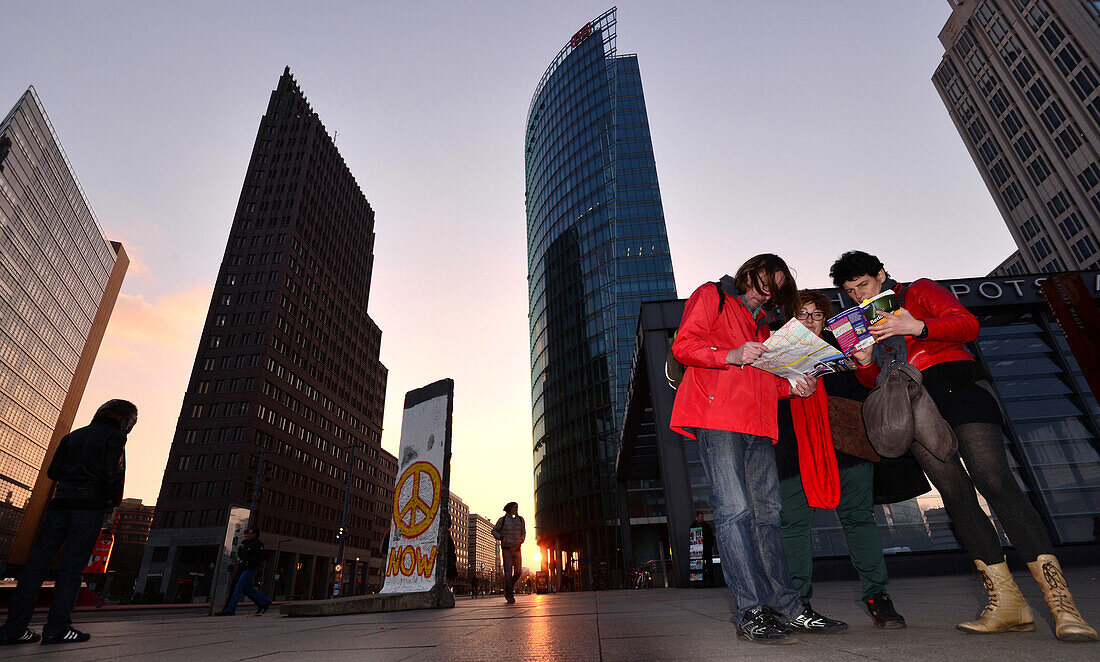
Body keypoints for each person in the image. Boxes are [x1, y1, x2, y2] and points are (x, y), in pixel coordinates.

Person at [831, 250, 1095, 642]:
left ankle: (1062, 606)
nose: (857, 296)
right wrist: (866, 361)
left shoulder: (917, 290)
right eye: (851, 291)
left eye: (864, 286)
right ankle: (1007, 604)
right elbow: (874, 383)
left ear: (882, 274)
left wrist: (916, 325)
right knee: (955, 495)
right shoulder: (862, 320)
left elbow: (967, 325)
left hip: (956, 383)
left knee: (994, 480)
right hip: (913, 402)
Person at [669, 254, 818, 645]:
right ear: (753, 271)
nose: (773, 286)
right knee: (734, 511)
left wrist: (793, 387)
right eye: (770, 276)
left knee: (767, 516)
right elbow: (683, 346)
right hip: (718, 419)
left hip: (758, 425)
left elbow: (766, 381)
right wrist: (730, 355)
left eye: (781, 282)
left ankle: (788, 608)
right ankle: (750, 610)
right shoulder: (712, 295)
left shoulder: (768, 325)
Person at [775, 289, 905, 632]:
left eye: (816, 315)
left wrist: (865, 361)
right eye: (801, 314)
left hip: (847, 444)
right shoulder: (771, 347)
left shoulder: (845, 341)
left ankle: (878, 596)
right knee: (794, 525)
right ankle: (798, 603)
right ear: (789, 318)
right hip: (793, 450)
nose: (810, 321)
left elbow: (869, 383)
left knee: (859, 519)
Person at [0, 400, 137, 646]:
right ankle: (57, 628)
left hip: (59, 504)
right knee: (71, 568)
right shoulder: (115, 439)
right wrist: (110, 503)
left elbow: (53, 472)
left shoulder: (72, 437)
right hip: (88, 507)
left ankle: (13, 628)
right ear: (125, 421)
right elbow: (113, 476)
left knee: (35, 566)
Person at [214, 528, 272, 616]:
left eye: (249, 533)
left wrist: (250, 562)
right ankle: (265, 601)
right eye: (245, 534)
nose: (246, 535)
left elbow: (259, 557)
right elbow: (241, 556)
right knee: (247, 589)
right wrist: (241, 549)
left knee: (238, 587)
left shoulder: (257, 545)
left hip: (249, 569)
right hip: (243, 568)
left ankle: (230, 609)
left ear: (254, 535)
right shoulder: (245, 545)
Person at [492, 502, 525, 604]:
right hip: (507, 549)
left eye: (517, 507)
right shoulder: (502, 520)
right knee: (508, 573)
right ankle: (509, 594)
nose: (517, 509)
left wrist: (522, 539)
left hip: (517, 549)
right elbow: (494, 531)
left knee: (518, 571)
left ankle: (508, 587)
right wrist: (501, 537)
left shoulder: (520, 520)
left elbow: (524, 531)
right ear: (509, 509)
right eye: (515, 507)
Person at [692, 512, 716, 587]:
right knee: (702, 565)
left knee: (707, 565)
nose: (702, 518)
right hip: (700, 548)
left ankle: (707, 582)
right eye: (701, 517)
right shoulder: (705, 526)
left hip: (704, 548)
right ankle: (700, 582)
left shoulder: (698, 526)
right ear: (697, 517)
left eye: (702, 517)